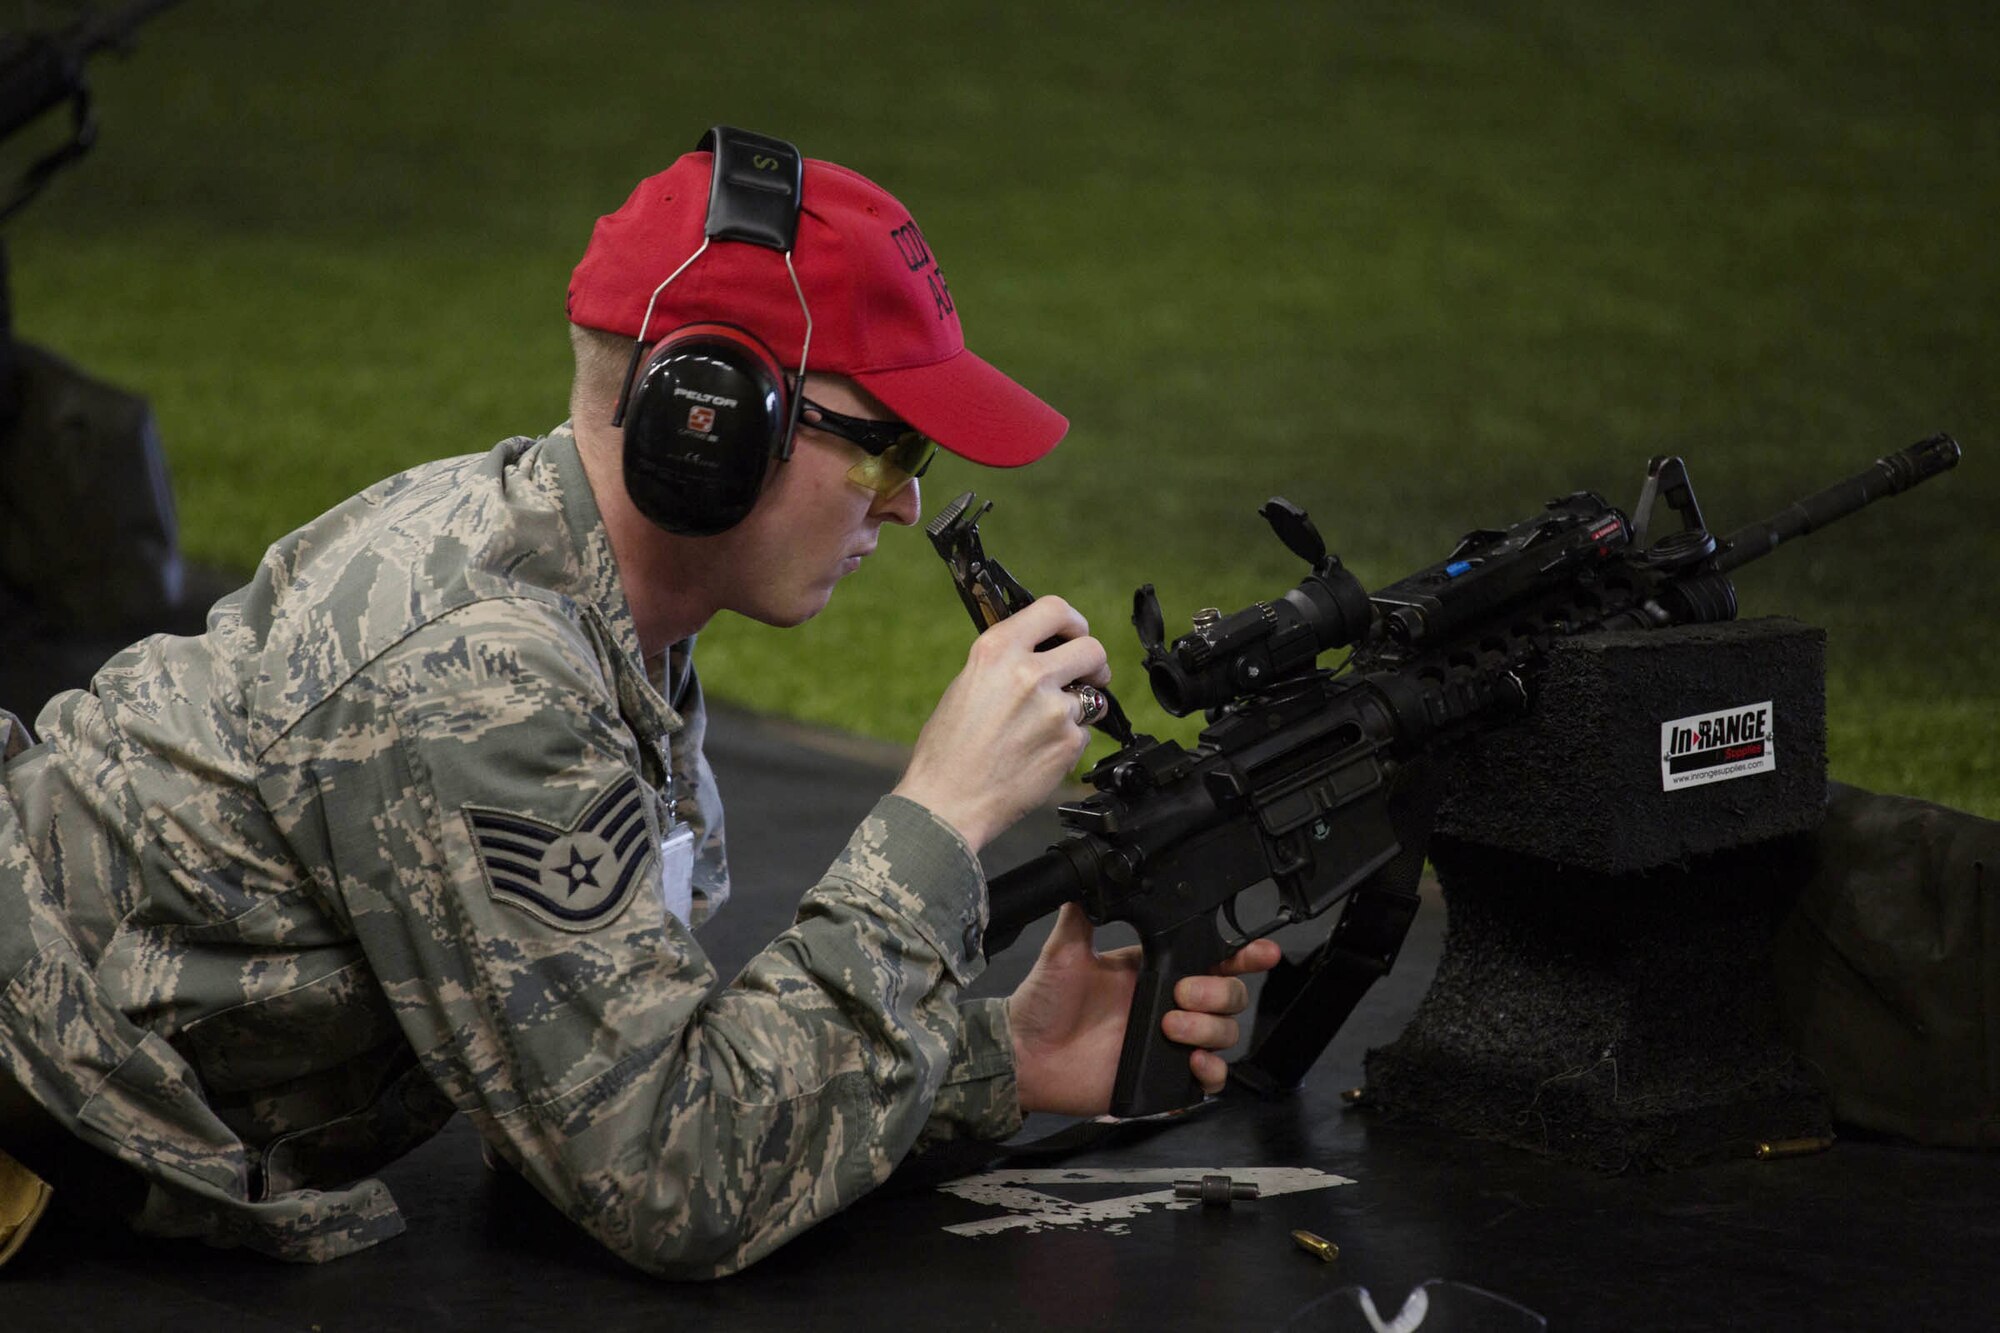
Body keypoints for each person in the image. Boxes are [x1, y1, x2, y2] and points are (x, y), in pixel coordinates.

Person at [0, 129, 1278, 1278]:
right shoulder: (479, 671)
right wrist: (937, 816)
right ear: (710, 425)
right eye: (886, 445)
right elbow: (670, 1179)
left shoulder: (600, 615)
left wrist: (1001, 1058)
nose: (901, 502)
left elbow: (633, 1064)